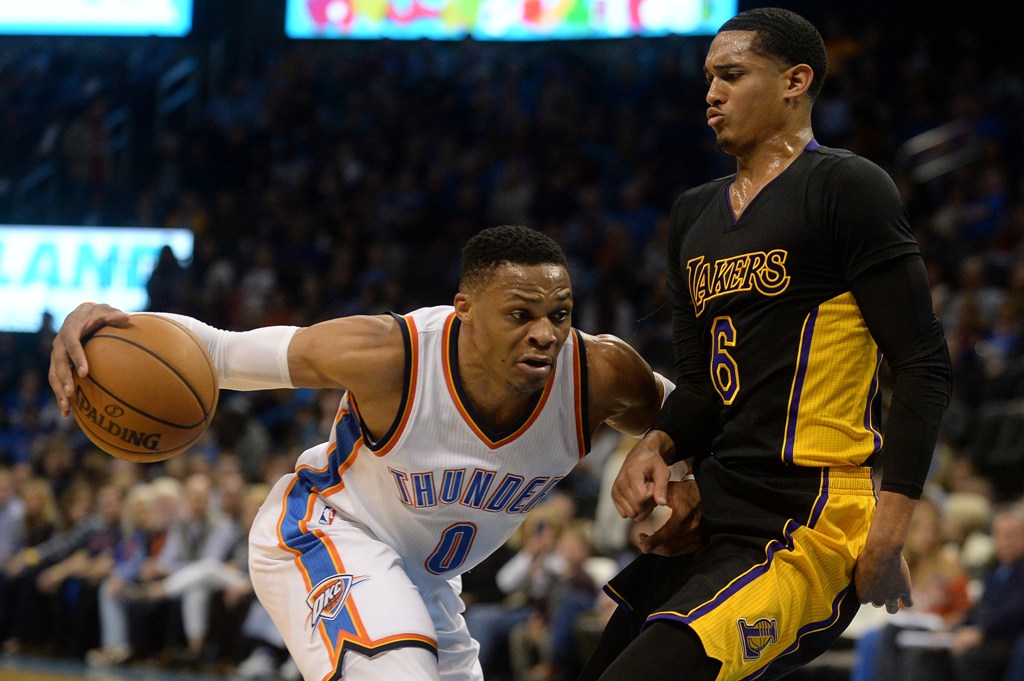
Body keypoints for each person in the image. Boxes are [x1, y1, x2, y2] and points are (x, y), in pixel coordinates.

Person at [48, 225, 674, 681]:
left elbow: (695, 419)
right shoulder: (389, 355)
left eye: (559, 314)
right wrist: (105, 323)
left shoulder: (600, 374)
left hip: (427, 580)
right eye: (520, 314)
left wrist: (670, 460)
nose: (545, 332)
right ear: (464, 312)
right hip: (326, 529)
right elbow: (220, 352)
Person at [579, 8, 953, 681]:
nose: (711, 94)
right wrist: (658, 444)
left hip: (811, 514)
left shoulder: (846, 185)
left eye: (731, 74)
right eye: (708, 79)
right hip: (716, 509)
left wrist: (891, 529)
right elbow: (699, 385)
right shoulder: (693, 213)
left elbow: (924, 363)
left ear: (795, 81)